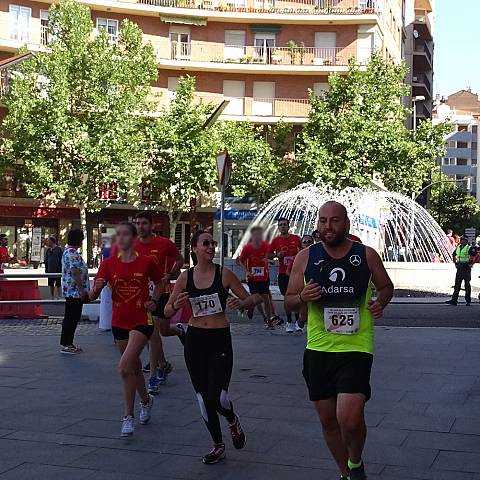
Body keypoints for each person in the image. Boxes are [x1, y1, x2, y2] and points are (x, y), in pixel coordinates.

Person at [285, 201, 394, 480]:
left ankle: (355, 462)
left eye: (334, 221)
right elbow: (288, 301)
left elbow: (386, 286)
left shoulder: (366, 255)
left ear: (346, 223)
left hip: (356, 346)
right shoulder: (305, 257)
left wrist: (381, 302)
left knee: (350, 417)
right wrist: (302, 298)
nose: (328, 226)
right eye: (323, 221)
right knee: (328, 420)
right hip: (318, 348)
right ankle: (347, 473)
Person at [165, 230, 262, 465]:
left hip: (219, 339)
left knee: (218, 397)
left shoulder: (224, 274)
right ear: (195, 249)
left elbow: (255, 298)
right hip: (195, 340)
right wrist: (174, 305)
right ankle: (218, 444)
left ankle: (232, 419)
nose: (211, 247)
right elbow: (167, 311)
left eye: (213, 243)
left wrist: (242, 302)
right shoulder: (185, 278)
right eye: (205, 243)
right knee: (202, 398)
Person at [89, 222, 163, 437]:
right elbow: (93, 295)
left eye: (124, 234)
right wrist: (93, 288)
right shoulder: (108, 264)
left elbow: (160, 282)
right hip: (119, 321)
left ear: (133, 238)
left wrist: (154, 300)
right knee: (134, 367)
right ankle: (147, 401)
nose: (120, 238)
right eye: (117, 235)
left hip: (142, 319)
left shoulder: (146, 262)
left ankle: (127, 416)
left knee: (123, 367)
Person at [134, 212, 184, 394]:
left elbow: (180, 259)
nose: (140, 226)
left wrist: (170, 274)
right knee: (152, 334)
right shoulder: (133, 244)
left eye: (144, 223)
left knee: (162, 331)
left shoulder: (165, 244)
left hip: (161, 292)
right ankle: (156, 372)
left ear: (152, 225)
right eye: (137, 223)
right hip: (141, 296)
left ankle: (178, 332)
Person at [267, 218, 302, 332]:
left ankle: (297, 321)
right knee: (286, 298)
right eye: (280, 225)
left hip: (295, 273)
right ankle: (289, 321)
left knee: (296, 297)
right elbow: (268, 255)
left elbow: (303, 251)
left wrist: (298, 252)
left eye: (285, 225)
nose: (282, 226)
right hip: (283, 273)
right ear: (278, 227)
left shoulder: (296, 238)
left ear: (288, 226)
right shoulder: (276, 241)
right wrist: (277, 254)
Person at [238, 226, 275, 328]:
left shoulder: (267, 246)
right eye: (255, 235)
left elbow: (273, 259)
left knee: (266, 299)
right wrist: (246, 271)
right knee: (258, 298)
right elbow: (240, 260)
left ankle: (269, 320)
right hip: (252, 277)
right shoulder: (247, 248)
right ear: (252, 236)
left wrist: (269, 261)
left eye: (259, 235)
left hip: (264, 277)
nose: (258, 237)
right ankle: (256, 310)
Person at [60, 229, 89, 355]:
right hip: (74, 291)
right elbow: (75, 272)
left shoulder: (70, 251)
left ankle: (68, 343)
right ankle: (67, 344)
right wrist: (81, 289)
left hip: (71, 290)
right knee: (72, 317)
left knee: (71, 316)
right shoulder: (72, 253)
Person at [446, 236, 475, 306]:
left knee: (467, 285)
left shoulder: (469, 248)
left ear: (466, 241)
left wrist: (471, 264)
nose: (461, 241)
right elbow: (453, 254)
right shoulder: (458, 247)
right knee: (457, 285)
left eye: (463, 240)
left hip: (466, 268)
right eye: (461, 239)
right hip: (459, 267)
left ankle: (468, 301)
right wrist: (455, 263)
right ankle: (454, 300)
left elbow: (474, 256)